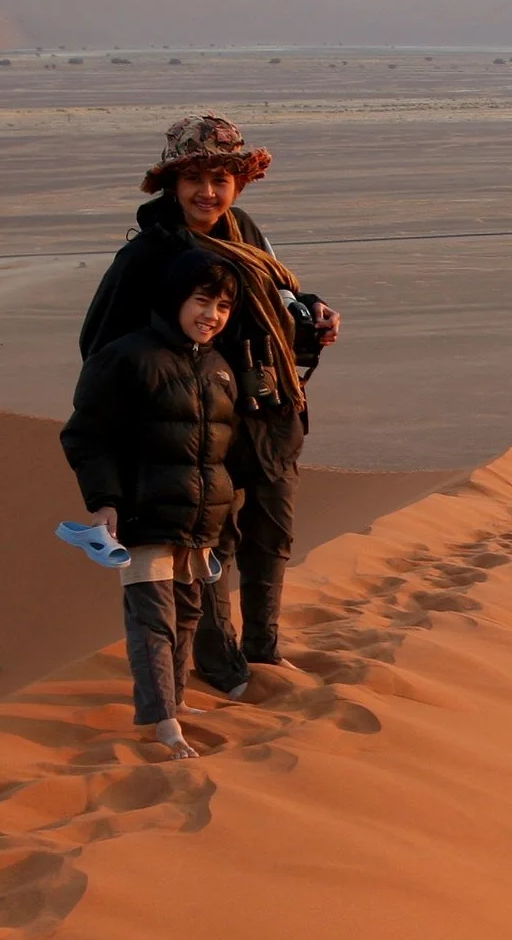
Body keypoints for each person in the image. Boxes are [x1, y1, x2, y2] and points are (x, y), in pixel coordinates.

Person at [77, 114, 340, 694]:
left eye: (221, 177)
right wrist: (170, 377)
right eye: (193, 176)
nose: (207, 191)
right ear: (172, 183)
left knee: (272, 532)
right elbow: (100, 349)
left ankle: (263, 650)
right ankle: (223, 670)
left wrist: (312, 311)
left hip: (268, 414)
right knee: (211, 540)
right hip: (194, 420)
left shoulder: (244, 231)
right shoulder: (149, 255)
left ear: (239, 183)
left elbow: (275, 297)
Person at [62, 249, 245, 758]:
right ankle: (161, 720)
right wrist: (104, 502)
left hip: (197, 519)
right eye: (201, 300)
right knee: (152, 623)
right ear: (175, 300)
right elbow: (85, 436)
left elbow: (218, 450)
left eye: (222, 306)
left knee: (187, 614)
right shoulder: (127, 358)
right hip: (142, 515)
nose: (211, 315)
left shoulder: (218, 367)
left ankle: (178, 702)